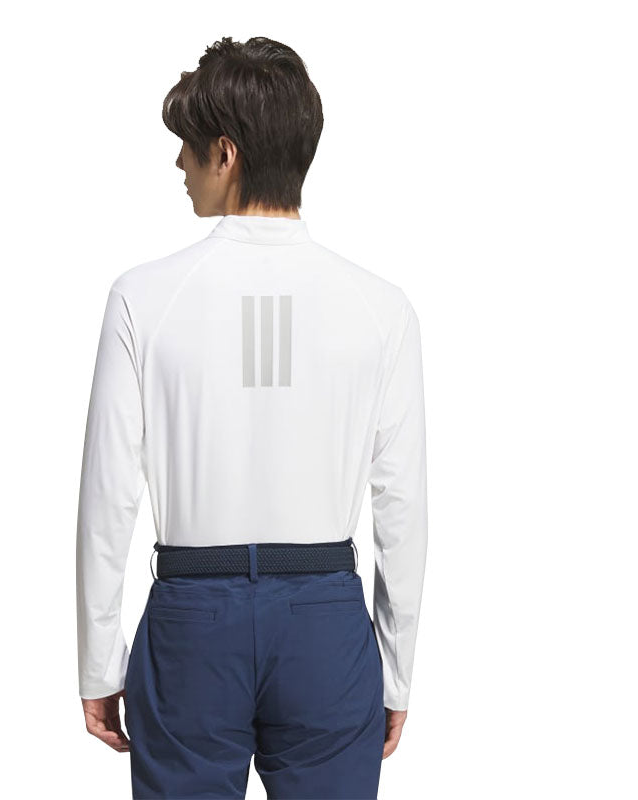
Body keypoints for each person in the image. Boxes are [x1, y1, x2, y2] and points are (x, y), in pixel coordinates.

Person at [76, 35, 428, 799]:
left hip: (193, 621)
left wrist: (99, 664)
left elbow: (108, 497)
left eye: (188, 146)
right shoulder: (381, 308)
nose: (179, 165)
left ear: (226, 153)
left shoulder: (143, 297)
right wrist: (396, 672)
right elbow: (401, 509)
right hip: (325, 622)